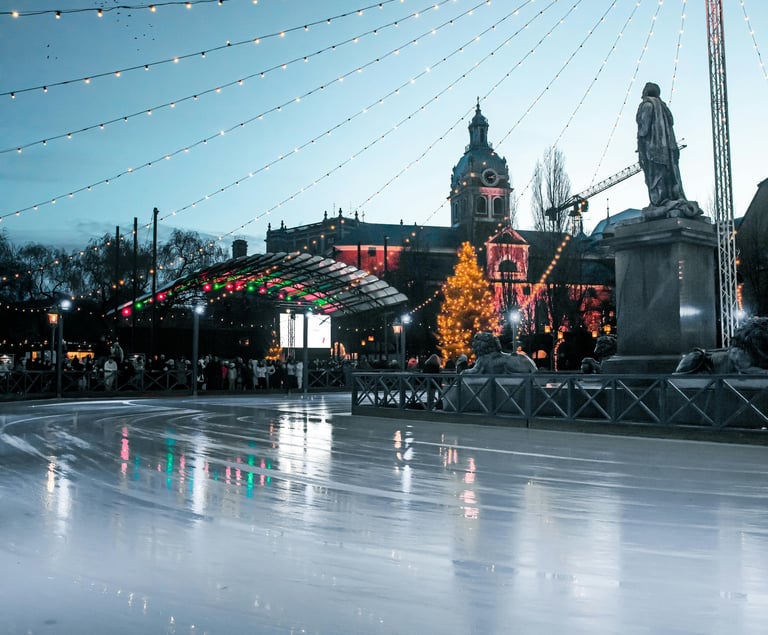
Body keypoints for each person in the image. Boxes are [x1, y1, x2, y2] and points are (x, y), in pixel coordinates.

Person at [635, 81, 702, 222]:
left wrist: (640, 147)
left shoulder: (647, 106)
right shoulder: (664, 108)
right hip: (669, 150)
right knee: (670, 177)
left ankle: (659, 202)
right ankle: (672, 199)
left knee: (655, 179)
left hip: (653, 149)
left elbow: (643, 130)